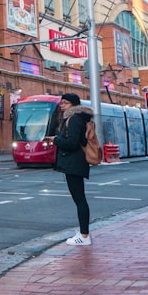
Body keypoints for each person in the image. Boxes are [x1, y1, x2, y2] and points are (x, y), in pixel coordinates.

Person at [53, 92, 92, 246]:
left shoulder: (74, 119)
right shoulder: (76, 118)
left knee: (80, 200)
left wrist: (56, 139)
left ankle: (84, 235)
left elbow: (73, 143)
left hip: (74, 164)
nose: (62, 106)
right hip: (75, 164)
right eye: (61, 103)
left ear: (74, 105)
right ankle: (83, 233)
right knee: (79, 199)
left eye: (65, 103)